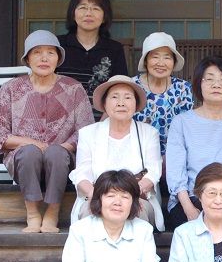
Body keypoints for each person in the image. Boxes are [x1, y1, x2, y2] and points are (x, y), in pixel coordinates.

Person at [0, 30, 93, 233]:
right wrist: (34, 144)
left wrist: (61, 147)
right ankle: (33, 214)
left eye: (50, 53)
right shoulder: (11, 88)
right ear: (27, 59)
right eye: (37, 52)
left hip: (63, 160)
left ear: (58, 58)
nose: (44, 58)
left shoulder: (73, 88)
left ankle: (52, 213)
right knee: (29, 152)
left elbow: (86, 129)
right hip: (24, 160)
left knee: (56, 153)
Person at [166, 56, 222, 228]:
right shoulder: (181, 122)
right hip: (191, 197)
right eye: (209, 79)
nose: (217, 85)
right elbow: (176, 171)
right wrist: (188, 207)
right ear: (199, 84)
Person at [70, 75, 164, 231]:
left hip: (136, 196)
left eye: (127, 97)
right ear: (104, 104)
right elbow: (81, 174)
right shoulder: (88, 133)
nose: (121, 103)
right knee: (89, 213)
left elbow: (154, 171)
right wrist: (100, 197)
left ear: (136, 104)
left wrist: (128, 196)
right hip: (97, 196)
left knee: (138, 212)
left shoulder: (149, 133)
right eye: (114, 97)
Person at [57, 0, 128, 112]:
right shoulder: (58, 45)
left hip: (101, 119)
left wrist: (104, 122)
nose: (89, 13)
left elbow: (120, 90)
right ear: (73, 14)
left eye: (96, 8)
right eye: (83, 7)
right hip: (60, 118)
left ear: (104, 17)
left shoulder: (114, 49)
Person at [132, 32, 194, 157]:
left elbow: (187, 128)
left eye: (167, 57)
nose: (161, 63)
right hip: (137, 154)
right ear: (146, 61)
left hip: (174, 155)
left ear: (174, 62)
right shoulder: (132, 86)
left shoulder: (183, 88)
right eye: (155, 57)